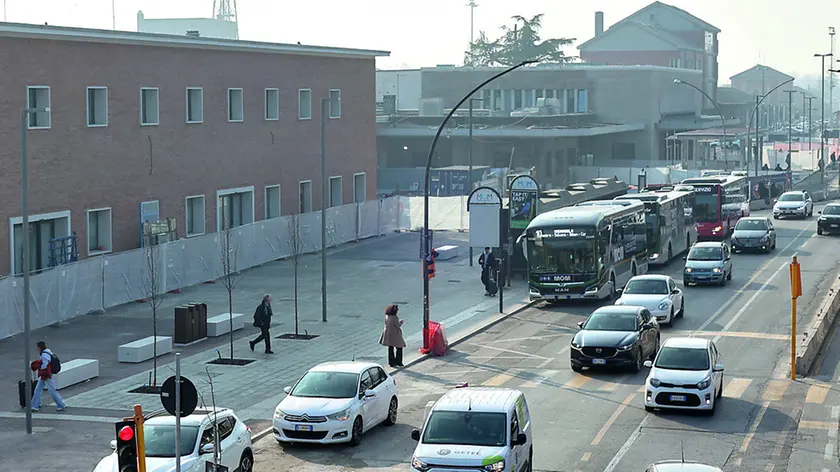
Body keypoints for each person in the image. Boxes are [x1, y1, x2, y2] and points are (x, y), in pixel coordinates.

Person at [30, 341, 66, 412]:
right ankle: (35, 405)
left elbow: (45, 363)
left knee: (51, 390)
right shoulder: (48, 352)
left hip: (46, 374)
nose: (36, 348)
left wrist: (39, 367)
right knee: (38, 389)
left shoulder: (44, 354)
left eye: (37, 347)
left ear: (40, 347)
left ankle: (61, 404)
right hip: (46, 374)